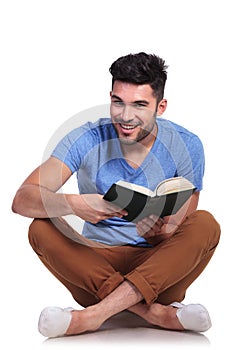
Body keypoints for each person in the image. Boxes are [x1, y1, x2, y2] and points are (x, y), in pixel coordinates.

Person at [12, 52, 220, 338]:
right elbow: (22, 199)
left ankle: (93, 316)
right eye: (118, 102)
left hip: (159, 271)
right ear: (110, 97)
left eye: (139, 105)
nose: (125, 116)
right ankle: (157, 314)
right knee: (41, 226)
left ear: (161, 106)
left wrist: (157, 234)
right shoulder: (86, 137)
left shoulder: (186, 144)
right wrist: (75, 204)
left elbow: (183, 221)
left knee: (205, 223)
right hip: (94, 270)